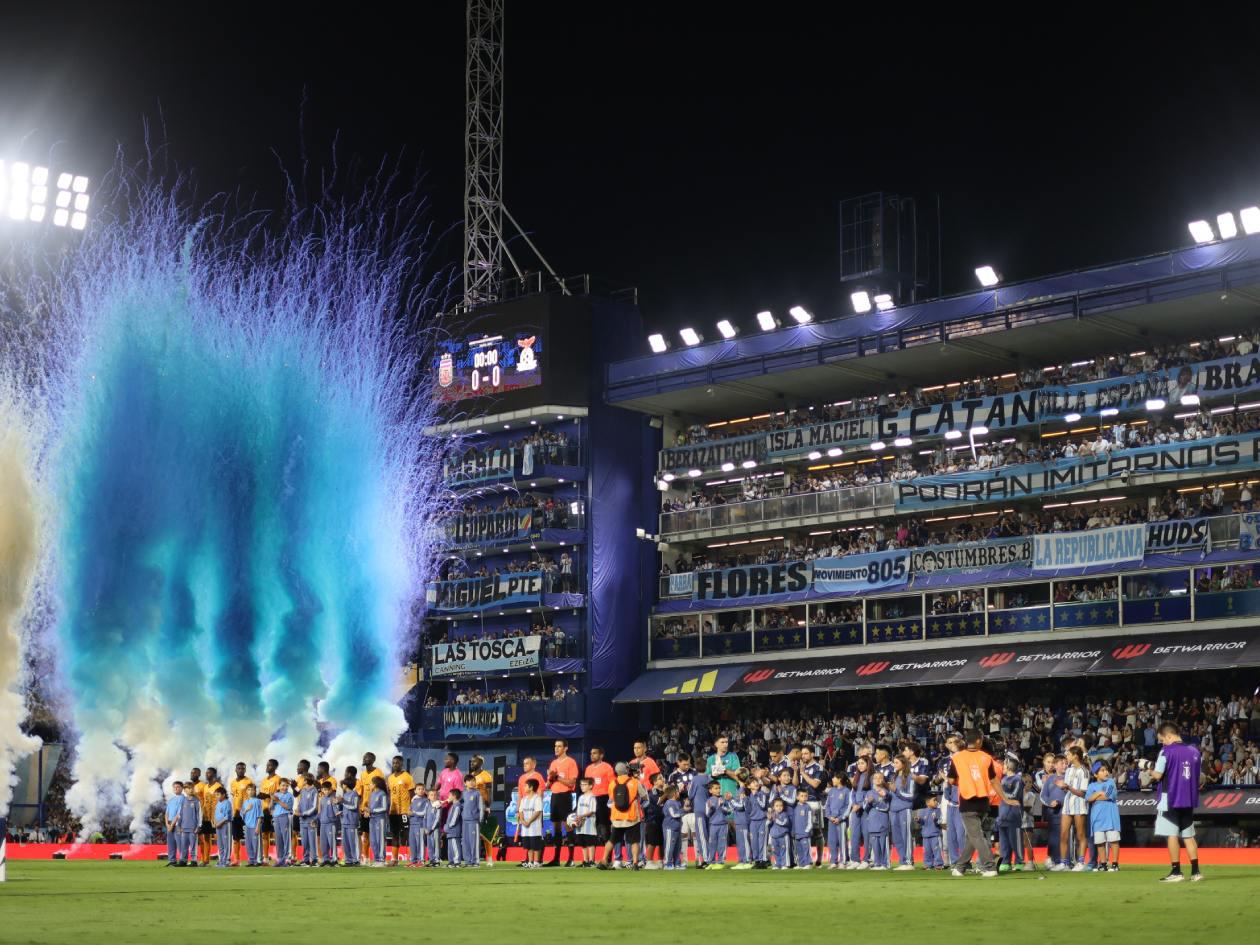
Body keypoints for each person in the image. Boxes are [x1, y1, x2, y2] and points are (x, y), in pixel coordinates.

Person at [1150, 722, 1203, 882]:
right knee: (1188, 836)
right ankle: (1196, 872)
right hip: (1188, 799)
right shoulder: (1195, 751)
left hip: (1170, 798)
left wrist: (1147, 767)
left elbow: (1158, 776)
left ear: (1169, 736)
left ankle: (1176, 871)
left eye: (1162, 740)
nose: (1162, 743)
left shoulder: (1166, 751)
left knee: (1171, 835)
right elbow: (1200, 777)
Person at [947, 729, 998, 877]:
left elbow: (950, 780)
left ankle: (990, 867)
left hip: (967, 800)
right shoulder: (986, 757)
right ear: (978, 741)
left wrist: (962, 780)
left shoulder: (957, 758)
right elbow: (993, 780)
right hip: (983, 801)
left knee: (975, 835)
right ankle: (960, 867)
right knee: (972, 836)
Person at [599, 762, 646, 870]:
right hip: (632, 816)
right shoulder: (634, 782)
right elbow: (644, 796)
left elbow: (612, 798)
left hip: (617, 817)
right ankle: (634, 863)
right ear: (626, 770)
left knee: (612, 840)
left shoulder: (612, 784)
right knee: (634, 841)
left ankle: (604, 860)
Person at [546, 739, 579, 866]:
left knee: (568, 825)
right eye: (555, 746)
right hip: (554, 796)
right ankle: (556, 859)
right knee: (556, 827)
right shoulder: (553, 763)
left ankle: (571, 859)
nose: (556, 748)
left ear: (565, 748)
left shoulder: (571, 762)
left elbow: (571, 783)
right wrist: (550, 779)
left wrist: (557, 777)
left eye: (559, 746)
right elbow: (548, 785)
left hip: (565, 796)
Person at [1058, 746, 1091, 871]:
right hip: (1068, 804)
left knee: (1080, 835)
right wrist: (1062, 786)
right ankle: (1064, 863)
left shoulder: (1084, 771)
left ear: (1075, 756)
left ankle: (1081, 862)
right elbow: (1066, 787)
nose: (1067, 757)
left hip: (1079, 804)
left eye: (1069, 755)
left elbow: (1082, 793)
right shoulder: (1069, 770)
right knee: (1063, 834)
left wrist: (1067, 787)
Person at [1088, 762, 1121, 872]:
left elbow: (1108, 796)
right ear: (1096, 774)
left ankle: (1115, 864)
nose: (1106, 772)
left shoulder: (1111, 782)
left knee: (1114, 841)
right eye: (1102, 770)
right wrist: (1099, 793)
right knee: (1100, 842)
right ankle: (1103, 864)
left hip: (1110, 817)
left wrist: (1096, 796)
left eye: (1106, 770)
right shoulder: (1091, 786)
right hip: (1097, 818)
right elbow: (1088, 799)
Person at [995, 757, 1023, 872]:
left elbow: (1014, 795)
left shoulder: (1017, 779)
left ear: (1009, 766)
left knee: (1015, 840)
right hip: (1002, 814)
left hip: (1013, 815)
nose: (1002, 767)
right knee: (1004, 841)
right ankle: (1006, 861)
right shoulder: (1003, 779)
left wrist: (1000, 792)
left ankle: (1019, 862)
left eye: (1004, 765)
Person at [386, 755, 415, 868]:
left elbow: (411, 792)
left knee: (406, 835)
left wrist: (410, 807)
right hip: (393, 811)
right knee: (394, 835)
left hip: (404, 811)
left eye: (397, 763)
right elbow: (390, 794)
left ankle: (412, 859)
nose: (395, 764)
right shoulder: (390, 778)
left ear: (402, 764)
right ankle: (394, 859)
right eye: (393, 763)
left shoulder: (407, 776)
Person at [585, 746, 615, 849]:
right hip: (591, 800)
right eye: (591, 753)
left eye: (594, 753)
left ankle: (608, 857)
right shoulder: (588, 769)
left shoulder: (607, 767)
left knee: (604, 827)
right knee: (592, 827)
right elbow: (585, 786)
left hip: (603, 799)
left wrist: (611, 800)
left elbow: (613, 785)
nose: (592, 755)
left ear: (601, 755)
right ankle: (593, 857)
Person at [358, 753, 386, 861]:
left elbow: (382, 788)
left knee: (378, 836)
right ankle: (366, 857)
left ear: (373, 760)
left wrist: (371, 809)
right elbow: (361, 791)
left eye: (367, 757)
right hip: (365, 809)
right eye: (364, 757)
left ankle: (381, 858)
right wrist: (363, 807)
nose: (364, 758)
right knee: (366, 834)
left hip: (376, 811)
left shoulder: (378, 772)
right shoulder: (363, 774)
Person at [889, 756, 916, 870]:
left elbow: (911, 795)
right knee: (897, 837)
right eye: (894, 762)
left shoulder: (910, 777)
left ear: (903, 764)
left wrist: (896, 791)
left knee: (906, 835)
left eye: (896, 762)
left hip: (905, 809)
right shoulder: (894, 777)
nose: (894, 764)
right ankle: (902, 861)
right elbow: (892, 795)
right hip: (893, 810)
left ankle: (909, 861)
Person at [1040, 755, 1066, 869]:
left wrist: (1060, 802)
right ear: (1055, 765)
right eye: (1062, 763)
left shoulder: (1069, 778)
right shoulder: (1050, 779)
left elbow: (1072, 795)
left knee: (1066, 837)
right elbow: (1043, 795)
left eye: (1066, 763)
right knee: (1053, 838)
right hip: (1052, 814)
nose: (1065, 765)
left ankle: (1066, 861)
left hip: (1066, 813)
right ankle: (1055, 860)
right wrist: (1050, 802)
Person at [863, 774, 891, 870]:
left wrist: (874, 802)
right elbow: (865, 808)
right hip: (872, 822)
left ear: (883, 780)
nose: (877, 779)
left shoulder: (886, 792)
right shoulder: (869, 793)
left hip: (882, 821)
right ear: (872, 780)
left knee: (883, 844)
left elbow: (886, 807)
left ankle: (885, 863)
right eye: (875, 778)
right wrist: (868, 802)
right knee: (875, 845)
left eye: (880, 778)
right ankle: (877, 863)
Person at [228, 761, 255, 866]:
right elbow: (234, 797)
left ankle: (251, 859)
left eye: (243, 768)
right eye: (239, 768)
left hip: (247, 813)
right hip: (236, 813)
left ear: (245, 770)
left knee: (249, 837)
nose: (241, 770)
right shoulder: (232, 783)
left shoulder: (249, 781)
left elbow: (251, 797)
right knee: (236, 838)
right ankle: (236, 860)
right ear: (235, 770)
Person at [198, 767, 224, 866]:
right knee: (206, 838)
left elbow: (221, 800)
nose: (207, 774)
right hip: (206, 816)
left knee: (218, 837)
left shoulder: (218, 786)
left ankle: (222, 858)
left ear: (214, 774)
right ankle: (205, 860)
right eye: (206, 772)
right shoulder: (205, 787)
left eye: (209, 773)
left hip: (216, 816)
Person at [824, 772, 850, 869]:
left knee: (842, 841)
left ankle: (843, 861)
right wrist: (829, 816)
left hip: (841, 821)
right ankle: (833, 861)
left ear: (839, 779)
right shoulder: (831, 791)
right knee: (832, 841)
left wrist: (840, 818)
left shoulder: (847, 791)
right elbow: (827, 805)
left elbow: (848, 807)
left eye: (834, 778)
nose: (832, 780)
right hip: (831, 820)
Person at [517, 780, 544, 868]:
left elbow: (537, 812)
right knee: (528, 847)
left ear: (531, 788)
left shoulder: (537, 798)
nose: (524, 788)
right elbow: (520, 811)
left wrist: (529, 821)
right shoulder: (524, 799)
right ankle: (530, 861)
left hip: (535, 827)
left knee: (536, 846)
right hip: (525, 828)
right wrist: (523, 821)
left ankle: (536, 862)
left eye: (525, 786)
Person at [258, 758, 280, 864]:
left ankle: (279, 857)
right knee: (264, 834)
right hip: (264, 811)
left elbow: (279, 794)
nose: (267, 767)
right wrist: (260, 796)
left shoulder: (278, 779)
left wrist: (267, 796)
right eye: (267, 765)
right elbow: (262, 794)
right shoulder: (264, 780)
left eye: (270, 765)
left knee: (276, 834)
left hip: (275, 811)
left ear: (275, 767)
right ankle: (265, 858)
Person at [574, 777, 600, 867]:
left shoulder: (592, 797)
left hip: (589, 824)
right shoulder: (580, 797)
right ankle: (585, 861)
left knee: (590, 842)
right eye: (581, 784)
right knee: (583, 843)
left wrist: (581, 816)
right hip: (580, 824)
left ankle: (592, 860)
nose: (582, 786)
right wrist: (576, 818)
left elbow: (592, 811)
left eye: (584, 785)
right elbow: (578, 810)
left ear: (591, 786)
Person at [702, 780, 728, 870]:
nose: (718, 790)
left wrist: (721, 806)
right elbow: (707, 814)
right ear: (710, 791)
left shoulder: (723, 799)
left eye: (719, 788)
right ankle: (711, 862)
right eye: (716, 788)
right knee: (712, 844)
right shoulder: (708, 801)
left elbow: (728, 811)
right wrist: (712, 808)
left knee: (722, 844)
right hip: (713, 825)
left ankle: (721, 861)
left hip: (723, 825)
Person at [705, 735, 741, 799]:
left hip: (731, 793)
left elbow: (737, 774)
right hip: (716, 796)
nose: (725, 744)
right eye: (722, 742)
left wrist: (723, 770)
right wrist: (716, 773)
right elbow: (707, 777)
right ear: (716, 744)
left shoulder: (733, 756)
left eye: (726, 742)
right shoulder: (710, 759)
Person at [748, 775, 770, 869]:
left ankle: (763, 860)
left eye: (756, 781)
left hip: (762, 820)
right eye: (753, 782)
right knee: (754, 842)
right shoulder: (749, 796)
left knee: (762, 841)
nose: (755, 783)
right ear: (749, 786)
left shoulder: (762, 794)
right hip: (753, 821)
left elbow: (762, 805)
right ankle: (756, 860)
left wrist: (757, 796)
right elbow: (748, 810)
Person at [271, 778, 294, 867]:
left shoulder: (289, 796)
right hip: (276, 817)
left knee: (286, 838)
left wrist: (277, 800)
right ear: (279, 786)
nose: (284, 788)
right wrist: (272, 799)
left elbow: (288, 807)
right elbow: (271, 807)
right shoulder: (276, 794)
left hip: (285, 817)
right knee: (278, 839)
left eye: (286, 786)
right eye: (283, 785)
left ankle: (287, 859)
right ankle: (280, 859)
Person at [462, 774, 484, 867]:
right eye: (469, 781)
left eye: (473, 781)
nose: (471, 783)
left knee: (474, 841)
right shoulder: (463, 793)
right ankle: (468, 861)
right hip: (464, 821)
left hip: (474, 821)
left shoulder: (477, 793)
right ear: (465, 783)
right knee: (465, 841)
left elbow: (481, 807)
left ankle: (475, 861)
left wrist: (480, 818)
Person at [297, 774, 319, 866]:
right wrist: (298, 810)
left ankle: (314, 859)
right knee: (304, 841)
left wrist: (303, 813)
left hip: (311, 820)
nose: (302, 782)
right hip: (302, 820)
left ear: (306, 780)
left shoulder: (314, 791)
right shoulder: (303, 790)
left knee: (312, 841)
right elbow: (300, 802)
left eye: (304, 780)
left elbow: (314, 807)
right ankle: (306, 859)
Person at [314, 782, 338, 866]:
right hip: (322, 824)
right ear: (322, 790)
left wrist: (338, 813)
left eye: (328, 790)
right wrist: (315, 819)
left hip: (331, 824)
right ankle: (326, 859)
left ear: (331, 790)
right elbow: (320, 812)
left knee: (332, 842)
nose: (326, 791)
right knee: (323, 844)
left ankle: (335, 859)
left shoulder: (333, 798)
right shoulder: (322, 799)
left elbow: (336, 810)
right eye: (325, 790)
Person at [240, 784, 264, 867]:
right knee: (248, 844)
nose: (250, 791)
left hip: (255, 825)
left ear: (255, 791)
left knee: (256, 843)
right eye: (249, 790)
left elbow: (260, 815)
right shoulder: (245, 802)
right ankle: (251, 860)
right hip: (247, 826)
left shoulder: (257, 801)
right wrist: (247, 809)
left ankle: (258, 860)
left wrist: (258, 826)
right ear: (246, 791)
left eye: (252, 790)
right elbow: (242, 814)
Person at [917, 796, 943, 870]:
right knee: (927, 851)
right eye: (934, 800)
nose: (936, 802)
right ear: (927, 803)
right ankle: (928, 864)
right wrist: (918, 820)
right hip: (925, 835)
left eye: (937, 800)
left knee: (936, 850)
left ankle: (938, 864)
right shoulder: (923, 811)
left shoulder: (938, 811)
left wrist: (936, 820)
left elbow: (940, 822)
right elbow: (922, 822)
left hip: (935, 834)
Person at [340, 777, 362, 867]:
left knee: (353, 842)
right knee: (346, 842)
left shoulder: (354, 794)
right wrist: (341, 812)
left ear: (346, 785)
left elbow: (354, 806)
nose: (342, 785)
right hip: (344, 821)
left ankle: (356, 860)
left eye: (343, 784)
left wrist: (343, 802)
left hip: (352, 821)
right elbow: (346, 807)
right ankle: (348, 860)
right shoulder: (345, 795)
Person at [661, 785, 683, 870]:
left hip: (677, 827)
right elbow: (673, 814)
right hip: (670, 828)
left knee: (677, 846)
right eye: (678, 791)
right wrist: (683, 811)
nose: (679, 792)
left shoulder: (678, 802)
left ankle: (677, 863)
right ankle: (667, 863)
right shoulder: (669, 803)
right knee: (669, 846)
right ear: (674, 793)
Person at [368, 775, 389, 866]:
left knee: (380, 839)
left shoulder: (382, 794)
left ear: (375, 784)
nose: (370, 785)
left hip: (380, 819)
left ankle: (381, 859)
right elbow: (371, 808)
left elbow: (384, 807)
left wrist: (371, 811)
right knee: (373, 840)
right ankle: (376, 859)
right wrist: (367, 812)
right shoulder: (372, 794)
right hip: (372, 819)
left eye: (371, 783)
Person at [791, 787, 813, 870]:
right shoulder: (796, 808)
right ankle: (801, 864)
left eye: (805, 796)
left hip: (805, 834)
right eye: (802, 796)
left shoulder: (807, 807)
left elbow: (810, 821)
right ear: (797, 797)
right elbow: (794, 821)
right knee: (799, 849)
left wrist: (807, 831)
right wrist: (793, 831)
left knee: (806, 849)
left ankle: (808, 863)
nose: (804, 798)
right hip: (797, 833)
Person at [408, 785, 430, 867]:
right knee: (412, 843)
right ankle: (413, 860)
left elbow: (424, 813)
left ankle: (421, 860)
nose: (421, 790)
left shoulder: (426, 801)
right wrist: (409, 813)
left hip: (420, 824)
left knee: (420, 843)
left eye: (422, 789)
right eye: (419, 789)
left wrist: (413, 813)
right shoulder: (414, 800)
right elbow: (409, 810)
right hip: (412, 824)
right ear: (415, 791)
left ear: (425, 791)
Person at [212, 786, 233, 868]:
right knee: (220, 844)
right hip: (218, 826)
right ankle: (221, 859)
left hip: (225, 825)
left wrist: (219, 823)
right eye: (215, 795)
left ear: (223, 795)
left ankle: (226, 860)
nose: (216, 796)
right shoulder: (218, 804)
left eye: (218, 794)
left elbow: (227, 816)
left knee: (226, 843)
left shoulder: (227, 803)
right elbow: (216, 815)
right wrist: (215, 822)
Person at [164, 781, 184, 867]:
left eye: (178, 787)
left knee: (180, 843)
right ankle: (172, 860)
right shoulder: (171, 800)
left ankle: (182, 860)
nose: (176, 788)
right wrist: (167, 824)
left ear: (182, 788)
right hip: (169, 824)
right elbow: (166, 813)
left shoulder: (183, 799)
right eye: (174, 787)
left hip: (178, 824)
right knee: (170, 843)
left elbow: (179, 813)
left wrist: (172, 825)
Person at [768, 798, 791, 869]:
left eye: (781, 805)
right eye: (777, 806)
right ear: (773, 807)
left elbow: (784, 823)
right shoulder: (772, 814)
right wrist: (769, 819)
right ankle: (777, 864)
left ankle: (785, 864)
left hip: (783, 836)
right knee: (775, 851)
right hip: (774, 836)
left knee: (784, 851)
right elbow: (768, 824)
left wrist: (775, 819)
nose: (779, 807)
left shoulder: (785, 814)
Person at [445, 788, 465, 867]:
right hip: (450, 831)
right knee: (450, 847)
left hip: (454, 831)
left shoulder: (457, 806)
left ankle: (457, 862)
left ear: (454, 796)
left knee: (455, 846)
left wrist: (448, 826)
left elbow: (454, 819)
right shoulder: (453, 805)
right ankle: (451, 861)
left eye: (449, 795)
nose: (448, 797)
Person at [424, 788, 443, 867]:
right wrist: (425, 828)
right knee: (430, 845)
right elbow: (425, 817)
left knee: (436, 845)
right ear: (428, 797)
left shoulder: (438, 805)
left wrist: (432, 828)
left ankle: (437, 860)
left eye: (435, 795)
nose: (434, 796)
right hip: (428, 829)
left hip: (435, 829)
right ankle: (432, 860)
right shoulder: (427, 805)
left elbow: (438, 818)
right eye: (432, 795)